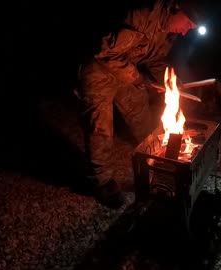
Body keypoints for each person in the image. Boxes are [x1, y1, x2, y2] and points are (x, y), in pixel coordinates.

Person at [75, 0, 206, 208]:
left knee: (140, 114)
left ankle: (153, 159)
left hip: (126, 73)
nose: (184, 33)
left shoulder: (168, 33)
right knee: (99, 128)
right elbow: (105, 52)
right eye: (188, 24)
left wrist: (173, 83)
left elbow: (155, 60)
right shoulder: (142, 16)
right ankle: (102, 181)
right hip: (99, 71)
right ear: (177, 8)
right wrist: (136, 78)